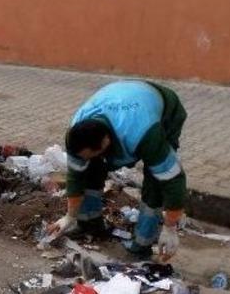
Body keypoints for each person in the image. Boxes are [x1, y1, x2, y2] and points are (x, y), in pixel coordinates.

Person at [46, 80, 188, 260]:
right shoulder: (76, 133)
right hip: (119, 97)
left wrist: (170, 228)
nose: (86, 158)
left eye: (92, 154)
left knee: (155, 181)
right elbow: (76, 176)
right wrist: (69, 216)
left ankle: (142, 244)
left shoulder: (144, 134)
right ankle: (89, 225)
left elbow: (173, 180)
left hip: (165, 109)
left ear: (105, 143)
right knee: (91, 168)